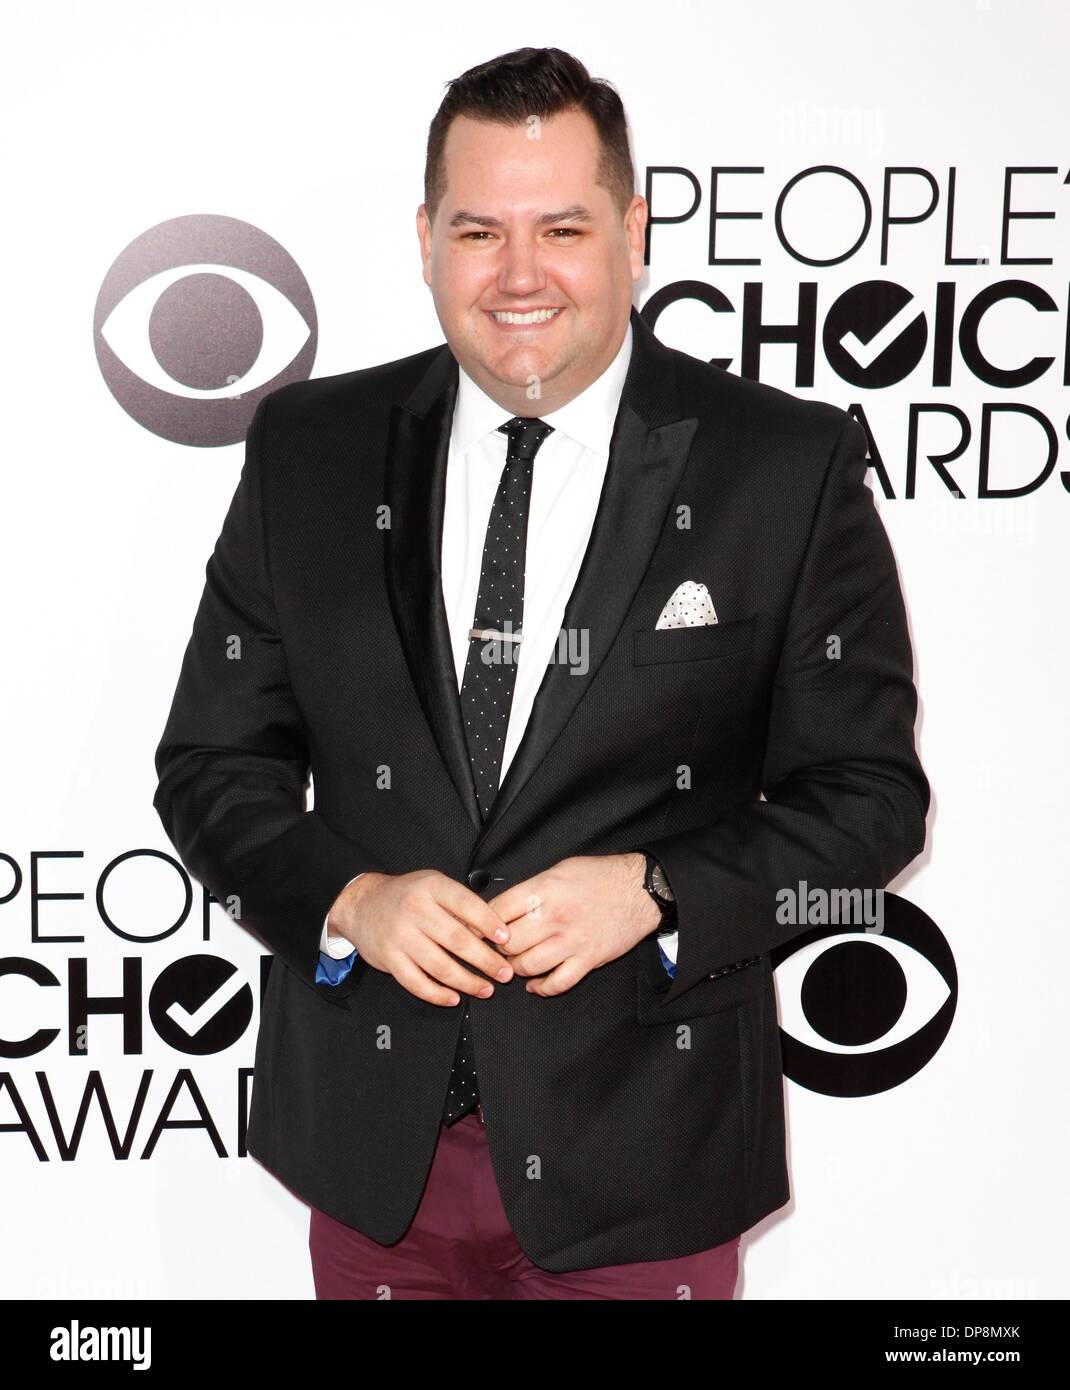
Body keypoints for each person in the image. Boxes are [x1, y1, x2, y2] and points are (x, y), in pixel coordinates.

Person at [153, 46, 929, 1299]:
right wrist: (352, 898)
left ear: (630, 232)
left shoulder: (780, 470)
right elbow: (210, 767)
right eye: (477, 230)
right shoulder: (308, 452)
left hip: (646, 1161)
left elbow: (869, 802)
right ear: (423, 239)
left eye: (561, 227)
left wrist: (659, 891)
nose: (518, 276)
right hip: (373, 1160)